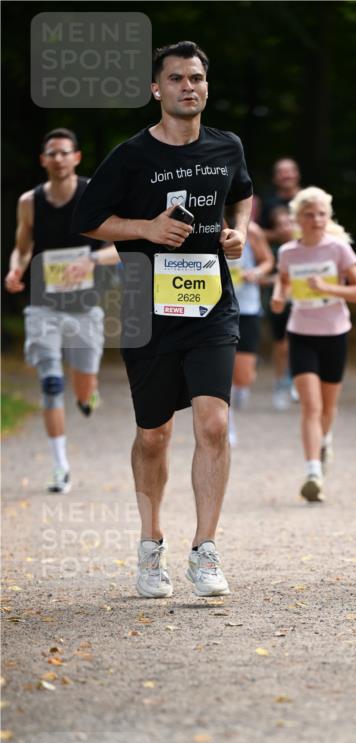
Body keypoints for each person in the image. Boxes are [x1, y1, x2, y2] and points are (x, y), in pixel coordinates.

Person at [72, 40, 253, 598]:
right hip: (145, 312)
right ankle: (151, 546)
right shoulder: (131, 156)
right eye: (175, 79)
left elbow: (242, 196)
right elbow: (89, 219)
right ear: (157, 89)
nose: (187, 87)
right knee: (154, 435)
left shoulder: (228, 147)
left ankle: (206, 550)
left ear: (205, 86)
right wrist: (146, 230)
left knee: (214, 424)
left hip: (210, 309)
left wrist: (237, 230)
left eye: (196, 78)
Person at [4, 128, 118, 494]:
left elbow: (122, 247)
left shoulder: (93, 195)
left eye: (64, 153)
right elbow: (22, 247)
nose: (57, 159)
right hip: (44, 306)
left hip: (85, 309)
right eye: (51, 153)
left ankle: (89, 395)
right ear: (43, 160)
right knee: (51, 383)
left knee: (83, 388)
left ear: (76, 157)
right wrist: (16, 268)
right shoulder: (29, 201)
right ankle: (60, 466)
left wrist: (90, 259)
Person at [271, 186, 356, 502]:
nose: (316, 220)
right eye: (309, 214)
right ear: (298, 218)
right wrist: (278, 297)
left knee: (327, 408)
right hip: (301, 333)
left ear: (328, 216)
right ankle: (313, 471)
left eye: (322, 214)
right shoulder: (288, 252)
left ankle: (324, 442)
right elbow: (283, 282)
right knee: (311, 405)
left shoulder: (338, 249)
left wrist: (327, 287)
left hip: (335, 334)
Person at [260, 160, 303, 408]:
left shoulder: (308, 199)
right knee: (281, 339)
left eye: (290, 171)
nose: (286, 175)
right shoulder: (266, 203)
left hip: (306, 275)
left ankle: (298, 382)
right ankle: (281, 384)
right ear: (276, 178)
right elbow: (253, 232)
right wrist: (281, 235)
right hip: (278, 274)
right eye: (281, 172)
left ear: (297, 175)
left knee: (301, 334)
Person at [227, 220, 274, 445]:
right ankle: (227, 424)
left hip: (246, 307)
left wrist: (256, 271)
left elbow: (268, 261)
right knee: (221, 372)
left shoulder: (252, 230)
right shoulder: (203, 223)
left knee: (243, 375)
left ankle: (239, 392)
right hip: (214, 308)